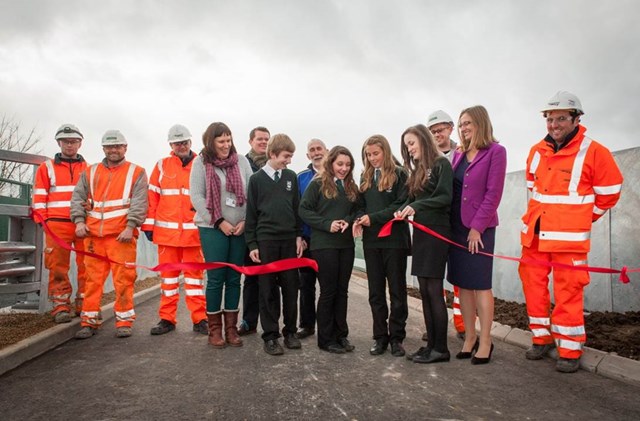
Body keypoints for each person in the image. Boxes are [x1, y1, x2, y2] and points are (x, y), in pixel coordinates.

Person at [519, 91, 623, 373]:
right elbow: (533, 189)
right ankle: (541, 338)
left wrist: (581, 220)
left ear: (576, 119)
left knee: (568, 293)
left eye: (561, 118)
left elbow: (610, 193)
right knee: (534, 288)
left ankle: (569, 347)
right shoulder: (536, 151)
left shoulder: (595, 152)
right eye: (550, 119)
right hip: (535, 237)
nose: (554, 125)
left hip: (569, 241)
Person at [71, 130, 148, 339]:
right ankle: (89, 321)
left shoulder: (136, 172)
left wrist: (130, 227)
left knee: (124, 280)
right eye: (109, 147)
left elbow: (140, 203)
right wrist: (79, 221)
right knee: (91, 281)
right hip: (93, 236)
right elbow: (77, 197)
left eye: (117, 146)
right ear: (103, 149)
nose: (113, 150)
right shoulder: (90, 172)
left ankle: (124, 321)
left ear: (125, 147)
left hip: (121, 237)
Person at [447, 106, 507, 365]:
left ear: (481, 123)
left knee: (481, 285)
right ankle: (469, 337)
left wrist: (477, 228)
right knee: (463, 286)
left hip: (479, 229)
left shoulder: (496, 152)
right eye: (461, 124)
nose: (464, 128)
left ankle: (485, 341)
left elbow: (493, 194)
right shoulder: (458, 154)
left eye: (468, 123)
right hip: (456, 228)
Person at [190, 122, 254, 348]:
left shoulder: (242, 161)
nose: (226, 145)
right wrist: (219, 222)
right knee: (216, 279)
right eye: (221, 141)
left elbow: (250, 194)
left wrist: (245, 220)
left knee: (234, 278)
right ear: (211, 142)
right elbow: (196, 197)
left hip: (239, 228)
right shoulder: (201, 163)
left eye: (228, 140)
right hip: (212, 228)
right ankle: (214, 330)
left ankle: (231, 329)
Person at [142, 124, 208, 336]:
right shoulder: (162, 166)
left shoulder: (203, 165)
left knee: (194, 281)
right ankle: (167, 319)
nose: (181, 145)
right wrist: (149, 225)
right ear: (171, 144)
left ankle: (200, 318)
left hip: (193, 236)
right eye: (177, 143)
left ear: (191, 142)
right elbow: (152, 197)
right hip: (167, 237)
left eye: (185, 142)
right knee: (168, 281)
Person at [395, 125, 453, 364]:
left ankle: (441, 348)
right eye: (406, 146)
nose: (409, 149)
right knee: (425, 291)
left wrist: (417, 207)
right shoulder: (418, 169)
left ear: (423, 139)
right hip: (420, 233)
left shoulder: (441, 164)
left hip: (436, 232)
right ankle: (431, 346)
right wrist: (399, 211)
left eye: (411, 143)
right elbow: (411, 198)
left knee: (434, 290)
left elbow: (444, 197)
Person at [245, 134, 303, 355]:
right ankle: (270, 336)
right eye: (286, 157)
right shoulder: (257, 180)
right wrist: (252, 244)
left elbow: (296, 208)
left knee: (291, 288)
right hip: (266, 241)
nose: (288, 161)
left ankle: (290, 332)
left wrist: (299, 236)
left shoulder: (291, 177)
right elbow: (251, 215)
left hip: (289, 241)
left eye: (291, 157)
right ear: (272, 154)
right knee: (267, 290)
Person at [353, 135, 410, 357]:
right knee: (375, 292)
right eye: (368, 154)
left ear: (385, 151)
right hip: (371, 242)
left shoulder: (400, 174)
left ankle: (397, 338)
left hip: (395, 242)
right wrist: (359, 218)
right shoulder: (365, 177)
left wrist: (373, 218)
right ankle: (380, 337)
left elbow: (400, 205)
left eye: (376, 153)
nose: (372, 158)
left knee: (397, 291)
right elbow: (359, 205)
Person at [299, 146, 359, 354]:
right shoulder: (317, 184)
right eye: (340, 164)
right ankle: (325, 339)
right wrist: (327, 224)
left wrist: (348, 221)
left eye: (348, 165)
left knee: (342, 292)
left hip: (346, 245)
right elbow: (304, 209)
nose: (344, 168)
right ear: (331, 162)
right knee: (329, 291)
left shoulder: (351, 186)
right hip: (324, 245)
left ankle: (341, 334)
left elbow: (358, 209)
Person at [32, 124, 88, 323]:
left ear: (80, 143)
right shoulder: (46, 167)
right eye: (65, 142)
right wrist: (43, 220)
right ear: (59, 143)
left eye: (73, 142)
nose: (69, 145)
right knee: (57, 267)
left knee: (87, 266)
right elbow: (39, 195)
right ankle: (60, 306)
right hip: (56, 224)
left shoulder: (88, 168)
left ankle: (85, 305)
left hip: (83, 224)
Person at [427, 109, 465, 340]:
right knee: (434, 277)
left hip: (459, 222)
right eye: (432, 131)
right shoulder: (427, 159)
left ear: (451, 127)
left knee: (460, 276)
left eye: (440, 129)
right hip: (436, 225)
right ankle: (436, 324)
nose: (437, 134)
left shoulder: (464, 153)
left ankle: (461, 325)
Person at [237, 126, 270, 336]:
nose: (263, 142)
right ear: (250, 141)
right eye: (260, 139)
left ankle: (270, 324)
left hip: (268, 230)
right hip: (249, 227)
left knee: (270, 279)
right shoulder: (242, 164)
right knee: (251, 278)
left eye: (267, 139)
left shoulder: (273, 165)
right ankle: (248, 321)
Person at [295, 138, 328, 340]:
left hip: (328, 241)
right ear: (308, 155)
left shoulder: (337, 175)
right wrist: (299, 235)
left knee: (328, 286)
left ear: (327, 150)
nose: (316, 152)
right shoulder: (301, 178)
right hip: (307, 240)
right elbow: (296, 209)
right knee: (306, 285)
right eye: (312, 150)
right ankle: (306, 325)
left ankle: (328, 326)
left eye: (319, 149)